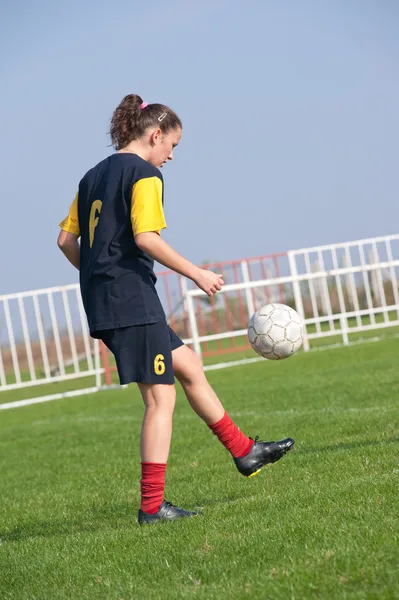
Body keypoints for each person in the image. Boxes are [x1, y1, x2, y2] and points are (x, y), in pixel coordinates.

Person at [58, 94, 294, 525]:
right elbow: (146, 237)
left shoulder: (91, 176)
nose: (171, 156)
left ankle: (245, 451)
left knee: (189, 366)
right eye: (173, 146)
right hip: (131, 300)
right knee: (159, 401)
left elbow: (66, 242)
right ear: (155, 134)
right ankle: (152, 508)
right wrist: (197, 274)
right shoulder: (144, 173)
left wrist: (98, 276)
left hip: (111, 299)